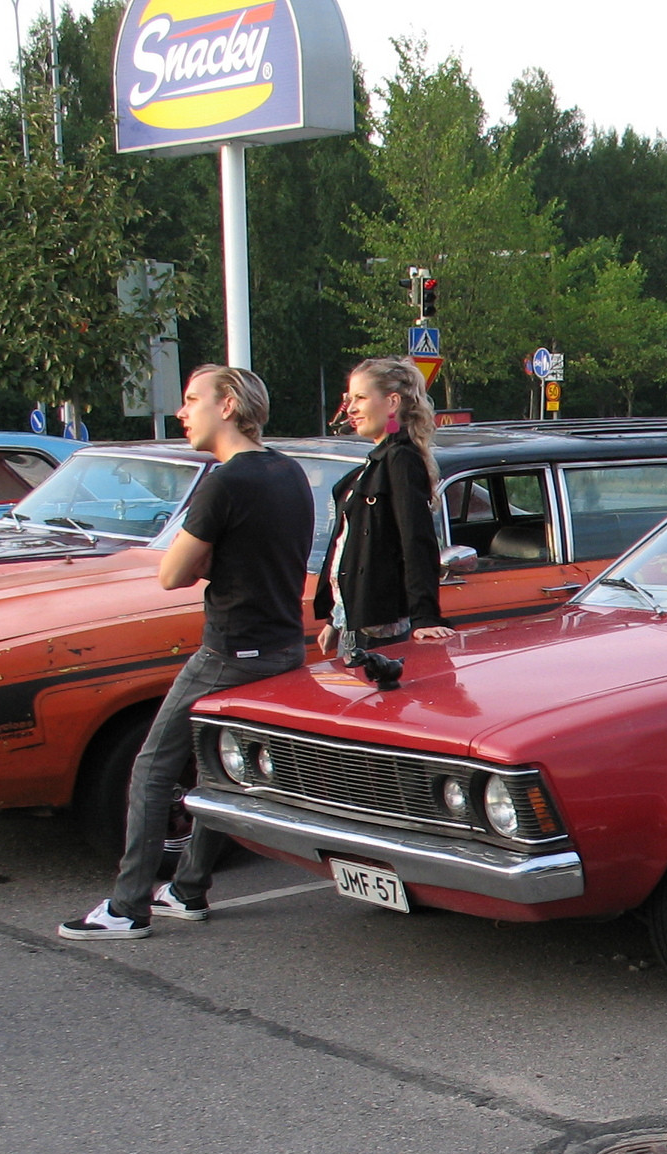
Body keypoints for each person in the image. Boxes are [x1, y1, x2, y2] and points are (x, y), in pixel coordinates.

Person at [59, 367, 314, 939]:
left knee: (151, 767)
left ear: (227, 405)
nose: (183, 411)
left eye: (193, 399)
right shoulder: (290, 472)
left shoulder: (225, 483)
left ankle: (127, 907)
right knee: (219, 771)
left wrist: (200, 559)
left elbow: (173, 573)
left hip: (228, 649)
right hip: (281, 647)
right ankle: (189, 886)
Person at [315, 357, 453, 684]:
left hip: (381, 629)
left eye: (361, 398)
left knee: (374, 715)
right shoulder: (376, 460)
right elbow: (350, 545)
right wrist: (336, 618)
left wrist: (425, 617)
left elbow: (416, 539)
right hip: (356, 621)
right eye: (349, 398)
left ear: (392, 402)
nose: (350, 408)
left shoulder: (400, 458)